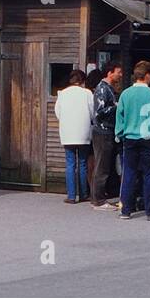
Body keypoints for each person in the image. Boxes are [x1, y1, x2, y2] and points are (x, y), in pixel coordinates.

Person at [116, 62, 150, 220]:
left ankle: (126, 210)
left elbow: (120, 118)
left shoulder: (125, 94)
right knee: (149, 175)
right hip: (149, 138)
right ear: (148, 75)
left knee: (129, 173)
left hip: (129, 138)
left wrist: (120, 134)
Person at [54, 70, 95, 203]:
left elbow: (58, 112)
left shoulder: (63, 93)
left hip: (67, 132)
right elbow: (92, 111)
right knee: (82, 163)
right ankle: (83, 194)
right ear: (82, 81)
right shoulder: (87, 93)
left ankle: (71, 196)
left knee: (70, 163)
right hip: (83, 131)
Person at [90, 64, 120, 211]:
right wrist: (117, 106)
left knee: (106, 165)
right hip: (102, 131)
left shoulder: (109, 88)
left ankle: (102, 195)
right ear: (110, 73)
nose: (120, 75)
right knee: (102, 166)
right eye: (118, 72)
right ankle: (98, 199)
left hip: (108, 131)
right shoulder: (102, 88)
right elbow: (99, 111)